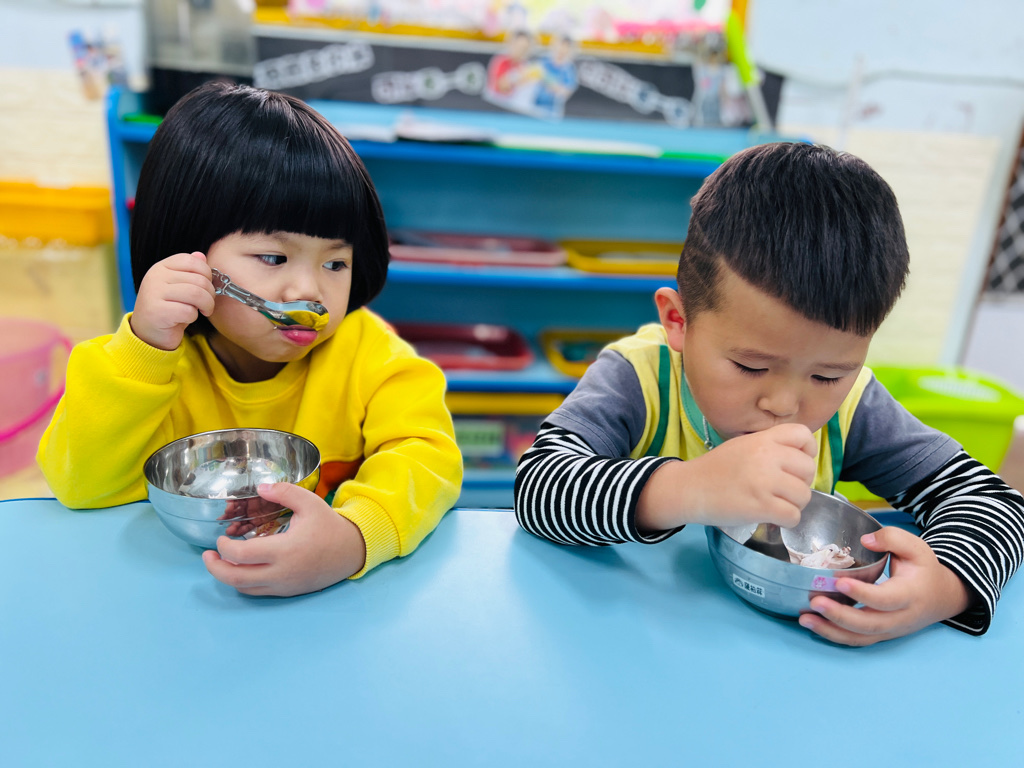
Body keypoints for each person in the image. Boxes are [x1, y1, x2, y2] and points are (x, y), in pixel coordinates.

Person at [514, 142, 1024, 645]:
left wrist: (947, 588)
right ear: (678, 321)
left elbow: (993, 501)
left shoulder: (855, 405)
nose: (784, 404)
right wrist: (686, 489)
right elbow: (538, 486)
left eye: (827, 376)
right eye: (750, 366)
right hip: (629, 639)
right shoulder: (640, 377)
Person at [37, 81, 463, 596]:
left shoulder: (371, 355)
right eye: (274, 257)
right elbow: (80, 485)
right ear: (190, 254)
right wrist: (145, 349)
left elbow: (427, 456)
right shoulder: (144, 361)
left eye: (335, 263)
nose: (309, 291)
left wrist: (355, 537)